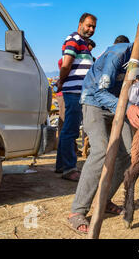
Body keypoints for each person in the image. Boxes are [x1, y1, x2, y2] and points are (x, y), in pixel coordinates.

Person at [68, 14, 139, 233]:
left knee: (127, 154)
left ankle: (104, 201)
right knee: (101, 150)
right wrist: (129, 108)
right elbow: (99, 91)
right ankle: (77, 210)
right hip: (94, 101)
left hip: (121, 106)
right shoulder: (119, 53)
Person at [55, 13, 96, 181]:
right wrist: (61, 81)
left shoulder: (83, 44)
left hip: (78, 91)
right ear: (80, 24)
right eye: (88, 25)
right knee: (71, 130)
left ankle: (61, 166)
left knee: (68, 130)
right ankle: (69, 169)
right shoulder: (74, 39)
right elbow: (66, 64)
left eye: (93, 27)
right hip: (73, 92)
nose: (91, 29)